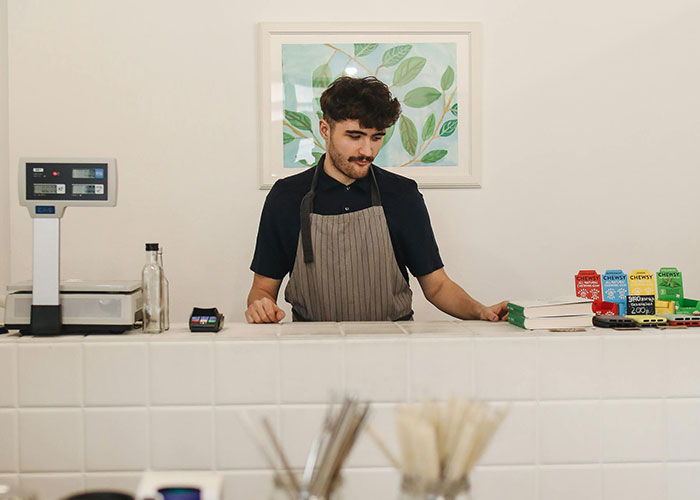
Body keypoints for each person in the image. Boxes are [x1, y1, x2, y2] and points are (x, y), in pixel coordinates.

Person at [246, 76, 507, 323]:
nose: (367, 151)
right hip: (313, 346)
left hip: (393, 345)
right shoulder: (287, 197)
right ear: (325, 129)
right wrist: (261, 306)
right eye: (355, 136)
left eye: (377, 137)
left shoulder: (402, 195)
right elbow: (262, 289)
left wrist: (481, 311)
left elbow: (437, 286)